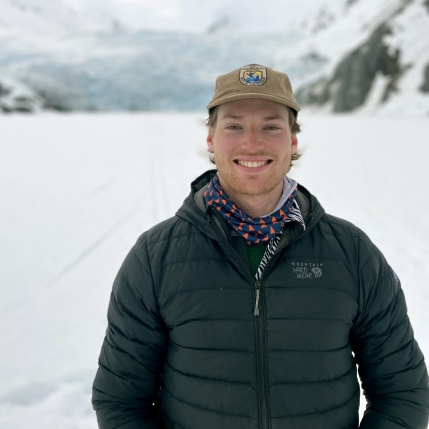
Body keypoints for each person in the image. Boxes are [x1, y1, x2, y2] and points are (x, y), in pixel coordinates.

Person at [92, 64, 429, 428]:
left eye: (271, 127)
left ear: (293, 141)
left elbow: (403, 392)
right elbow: (121, 401)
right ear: (211, 139)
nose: (252, 143)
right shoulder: (154, 258)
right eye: (234, 126)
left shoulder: (353, 253)